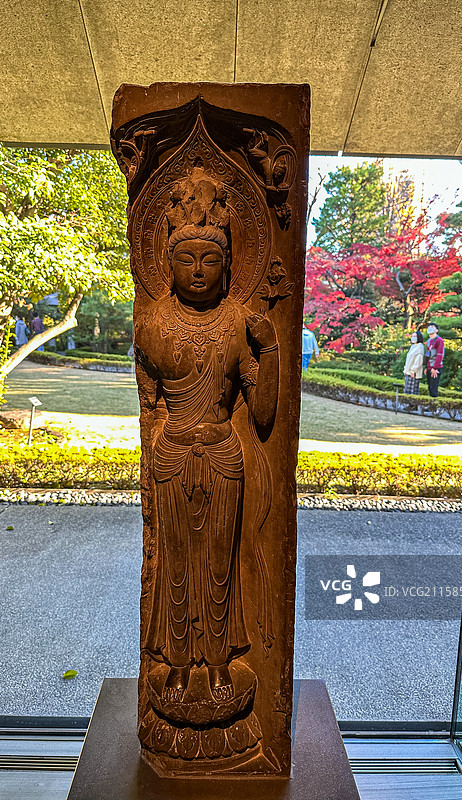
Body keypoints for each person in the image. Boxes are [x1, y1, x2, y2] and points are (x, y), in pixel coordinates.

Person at [136, 167, 278, 705]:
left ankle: (217, 664)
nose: (198, 270)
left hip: (222, 453)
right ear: (168, 263)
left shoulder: (238, 323)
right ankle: (175, 663)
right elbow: (149, 399)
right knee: (174, 561)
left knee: (219, 563)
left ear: (227, 265)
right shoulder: (150, 324)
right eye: (186, 259)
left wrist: (271, 351)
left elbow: (262, 417)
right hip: (173, 454)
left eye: (211, 259)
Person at [425, 323, 445, 397]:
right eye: (429, 327)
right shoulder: (428, 341)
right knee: (430, 387)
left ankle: (433, 406)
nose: (430, 328)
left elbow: (440, 355)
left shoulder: (439, 340)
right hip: (429, 366)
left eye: (432, 327)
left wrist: (435, 368)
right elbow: (427, 355)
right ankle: (430, 405)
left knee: (434, 388)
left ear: (437, 330)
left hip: (436, 367)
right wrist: (426, 367)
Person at [403, 331, 424, 395]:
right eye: (412, 336)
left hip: (413, 373)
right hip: (408, 372)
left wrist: (413, 371)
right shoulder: (413, 346)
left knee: (412, 392)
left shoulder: (420, 346)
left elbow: (418, 360)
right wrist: (405, 370)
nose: (413, 338)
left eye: (415, 336)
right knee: (407, 390)